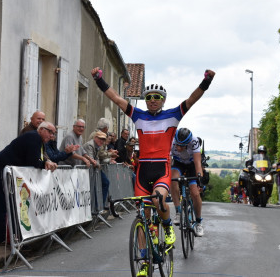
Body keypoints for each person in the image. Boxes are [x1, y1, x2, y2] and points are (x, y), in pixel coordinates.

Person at [91, 66, 215, 276]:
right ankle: (145, 263)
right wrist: (99, 80)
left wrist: (206, 81)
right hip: (142, 172)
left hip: (161, 170)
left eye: (157, 97)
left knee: (158, 201)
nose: (153, 100)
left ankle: (167, 227)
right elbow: (116, 98)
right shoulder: (138, 115)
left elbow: (192, 99)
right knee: (143, 218)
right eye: (149, 97)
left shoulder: (173, 115)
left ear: (163, 100)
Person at [0, 121, 58, 244]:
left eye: (53, 133)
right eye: (50, 132)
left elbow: (40, 157)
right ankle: (0, 237)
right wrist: (44, 164)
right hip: (2, 167)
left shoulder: (38, 139)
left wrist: (46, 161)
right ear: (42, 129)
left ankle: (9, 235)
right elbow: (33, 161)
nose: (52, 136)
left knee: (10, 202)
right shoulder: (34, 137)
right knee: (2, 202)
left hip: (10, 170)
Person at [170, 128, 205, 237]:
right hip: (178, 163)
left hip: (191, 165)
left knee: (195, 193)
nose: (178, 148)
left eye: (182, 146)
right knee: (172, 179)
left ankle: (198, 222)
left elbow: (198, 163)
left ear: (188, 143)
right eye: (177, 145)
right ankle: (178, 211)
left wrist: (200, 181)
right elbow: (166, 160)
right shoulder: (171, 141)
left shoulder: (194, 142)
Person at [83, 131, 110, 209]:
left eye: (103, 139)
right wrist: (97, 164)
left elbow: (96, 159)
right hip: (87, 170)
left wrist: (97, 164)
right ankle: (95, 207)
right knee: (93, 188)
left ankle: (99, 206)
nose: (101, 141)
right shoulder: (90, 145)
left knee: (105, 183)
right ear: (95, 138)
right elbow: (92, 160)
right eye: (100, 139)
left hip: (94, 170)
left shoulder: (97, 146)